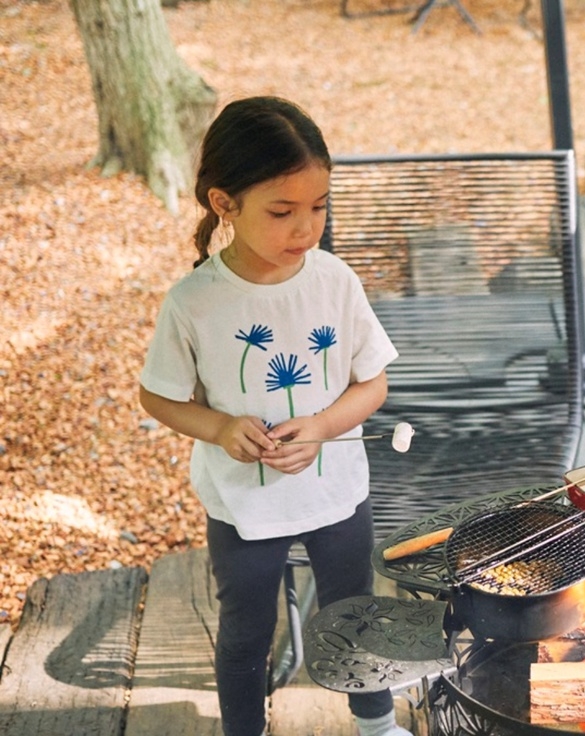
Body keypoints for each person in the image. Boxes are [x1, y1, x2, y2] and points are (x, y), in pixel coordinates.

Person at [139, 97, 410, 736]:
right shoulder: (194, 303)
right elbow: (158, 397)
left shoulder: (335, 282)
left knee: (356, 614)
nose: (306, 228)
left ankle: (376, 724)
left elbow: (373, 383)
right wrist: (219, 428)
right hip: (244, 505)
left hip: (336, 495)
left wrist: (321, 426)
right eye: (283, 212)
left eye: (319, 207)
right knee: (245, 629)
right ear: (224, 204)